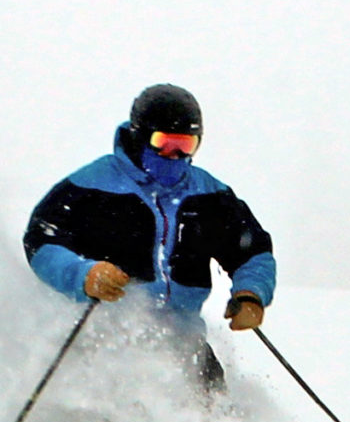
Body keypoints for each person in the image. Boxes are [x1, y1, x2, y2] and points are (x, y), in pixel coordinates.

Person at [22, 84, 275, 395]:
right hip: (107, 336)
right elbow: (41, 241)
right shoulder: (93, 186)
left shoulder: (210, 196)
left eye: (186, 145)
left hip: (184, 342)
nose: (175, 155)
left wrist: (251, 294)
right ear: (140, 135)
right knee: (117, 420)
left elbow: (252, 252)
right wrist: (83, 274)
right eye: (164, 143)